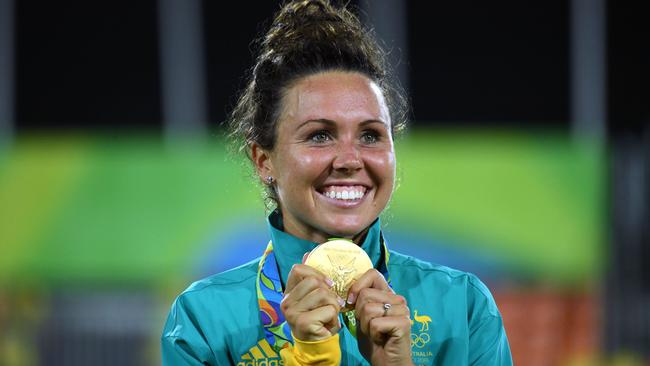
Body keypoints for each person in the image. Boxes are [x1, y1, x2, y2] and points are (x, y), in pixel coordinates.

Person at [161, 1, 513, 365]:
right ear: (264, 161)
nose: (349, 160)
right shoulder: (204, 320)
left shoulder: (464, 306)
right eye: (320, 136)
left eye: (371, 135)